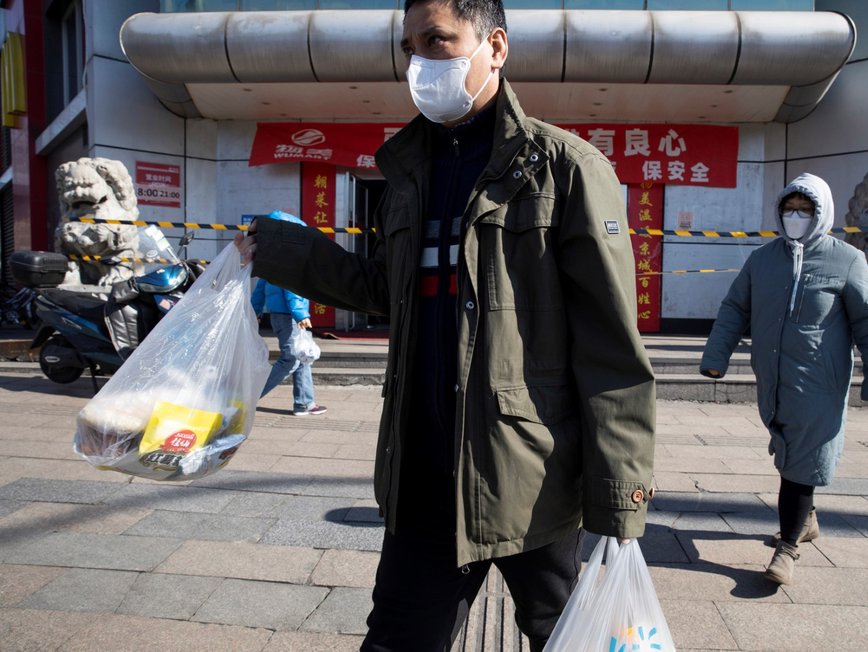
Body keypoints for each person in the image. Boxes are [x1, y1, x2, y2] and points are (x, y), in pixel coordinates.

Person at [235, 1, 656, 649]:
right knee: (397, 640)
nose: (420, 62)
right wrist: (282, 249)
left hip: (533, 483)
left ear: (495, 45)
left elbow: (611, 349)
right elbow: (385, 288)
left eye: (437, 40)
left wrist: (619, 496)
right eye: (410, 47)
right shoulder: (407, 173)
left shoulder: (564, 168)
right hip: (424, 477)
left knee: (568, 639)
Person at [700, 172, 868, 585]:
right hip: (772, 380)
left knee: (801, 464)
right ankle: (806, 519)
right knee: (791, 455)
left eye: (805, 210)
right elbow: (736, 307)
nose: (796, 216)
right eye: (790, 209)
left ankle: (788, 548)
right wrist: (716, 357)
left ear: (821, 214)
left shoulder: (846, 259)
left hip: (820, 383)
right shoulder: (763, 259)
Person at [250, 210, 327, 417]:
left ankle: (304, 403)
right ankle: (249, 397)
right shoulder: (289, 256)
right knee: (291, 359)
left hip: (280, 314)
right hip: (290, 316)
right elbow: (292, 288)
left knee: (303, 356)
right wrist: (300, 313)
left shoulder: (273, 257)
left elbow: (260, 288)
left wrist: (254, 309)